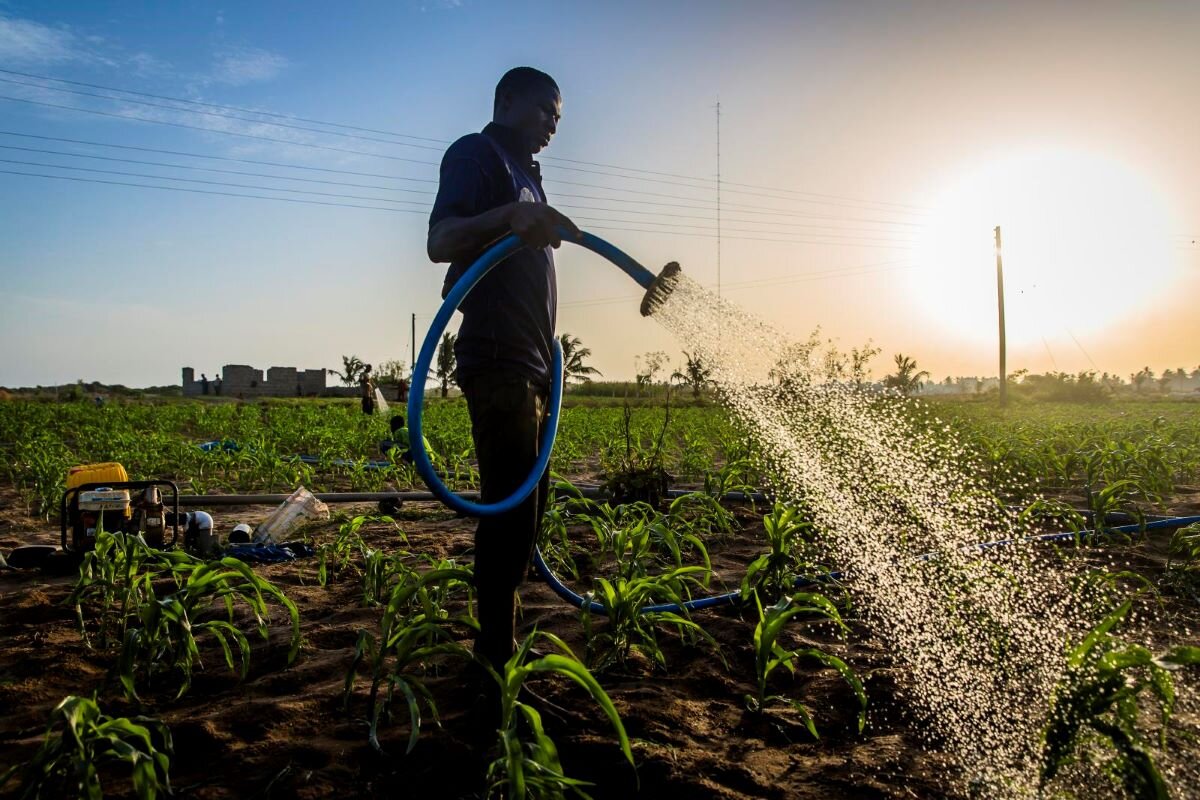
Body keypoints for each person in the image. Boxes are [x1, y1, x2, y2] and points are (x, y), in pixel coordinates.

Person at [427, 67, 581, 676]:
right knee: (510, 509)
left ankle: (500, 639)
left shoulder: (529, 178)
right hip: (499, 359)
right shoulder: (477, 154)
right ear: (508, 99)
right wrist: (507, 219)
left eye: (559, 119)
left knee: (531, 506)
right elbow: (441, 241)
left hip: (536, 365)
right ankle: (493, 657)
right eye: (545, 110)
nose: (552, 125)